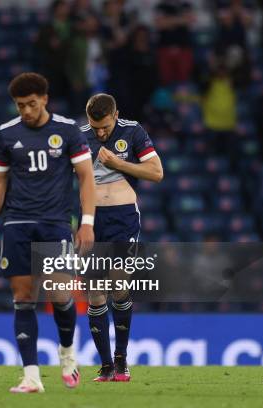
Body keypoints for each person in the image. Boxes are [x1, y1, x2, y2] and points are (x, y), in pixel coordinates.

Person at [0, 72, 96, 392]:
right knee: (22, 297)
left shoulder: (69, 131)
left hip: (56, 223)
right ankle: (31, 376)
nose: (27, 112)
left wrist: (87, 222)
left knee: (60, 294)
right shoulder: (6, 135)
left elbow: (86, 177)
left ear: (45, 99)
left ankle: (68, 354)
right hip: (17, 222)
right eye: (20, 106)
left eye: (32, 104)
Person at [79, 93, 163, 381]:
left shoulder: (133, 131)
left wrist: (118, 164)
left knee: (118, 284)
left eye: (104, 127)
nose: (100, 133)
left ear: (115, 115)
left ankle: (121, 360)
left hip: (123, 217)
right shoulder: (78, 137)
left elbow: (156, 172)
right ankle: (104, 366)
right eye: (95, 127)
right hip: (91, 220)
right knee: (95, 293)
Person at [154, 0, 195, 84]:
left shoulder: (186, 5)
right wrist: (180, 20)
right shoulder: (161, 6)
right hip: (165, 47)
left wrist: (168, 21)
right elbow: (159, 24)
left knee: (183, 78)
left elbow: (190, 21)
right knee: (165, 79)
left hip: (183, 48)